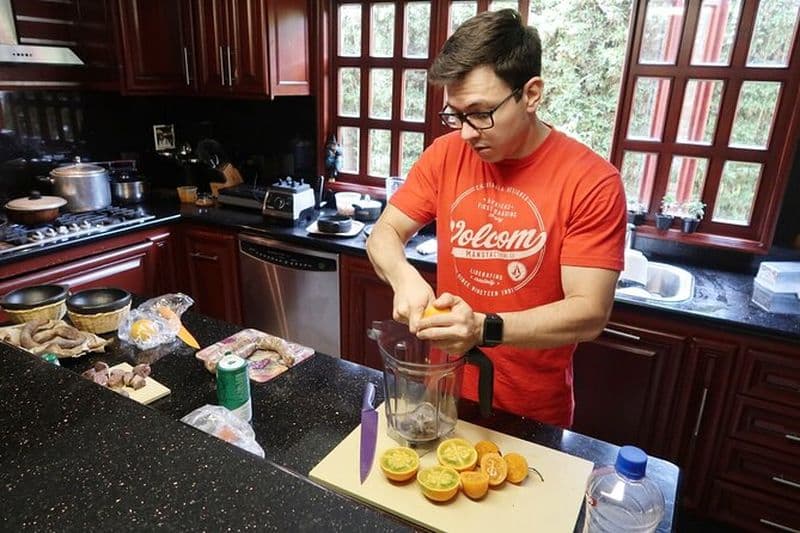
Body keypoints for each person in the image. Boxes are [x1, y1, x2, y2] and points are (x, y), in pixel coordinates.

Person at [365, 9, 626, 428]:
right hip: (443, 391)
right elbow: (384, 234)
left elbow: (590, 312)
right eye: (455, 114)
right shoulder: (446, 155)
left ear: (532, 94)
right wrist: (403, 275)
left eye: (480, 113)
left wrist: (483, 329)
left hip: (532, 411)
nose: (466, 133)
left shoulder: (591, 181)